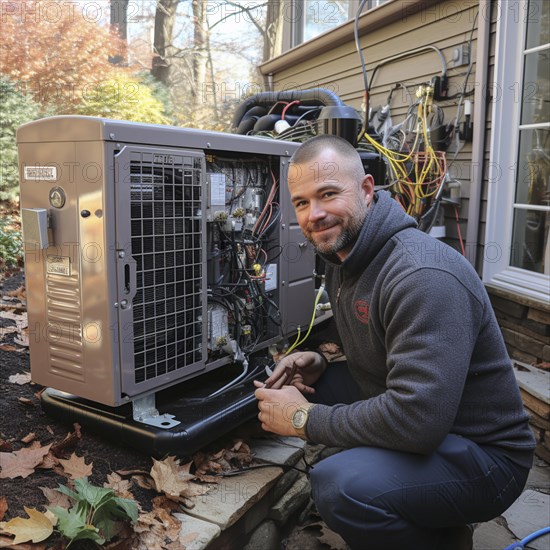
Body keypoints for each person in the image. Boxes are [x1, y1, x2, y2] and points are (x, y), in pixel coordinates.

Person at [254, 134, 535, 550]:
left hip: (487, 457)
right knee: (303, 388)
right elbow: (372, 326)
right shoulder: (346, 256)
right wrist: (316, 357)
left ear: (367, 189)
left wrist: (303, 420)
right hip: (433, 416)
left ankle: (441, 539)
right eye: (301, 202)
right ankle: (439, 526)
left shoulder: (421, 275)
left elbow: (416, 420)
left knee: (340, 486)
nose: (314, 214)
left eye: (328, 194)